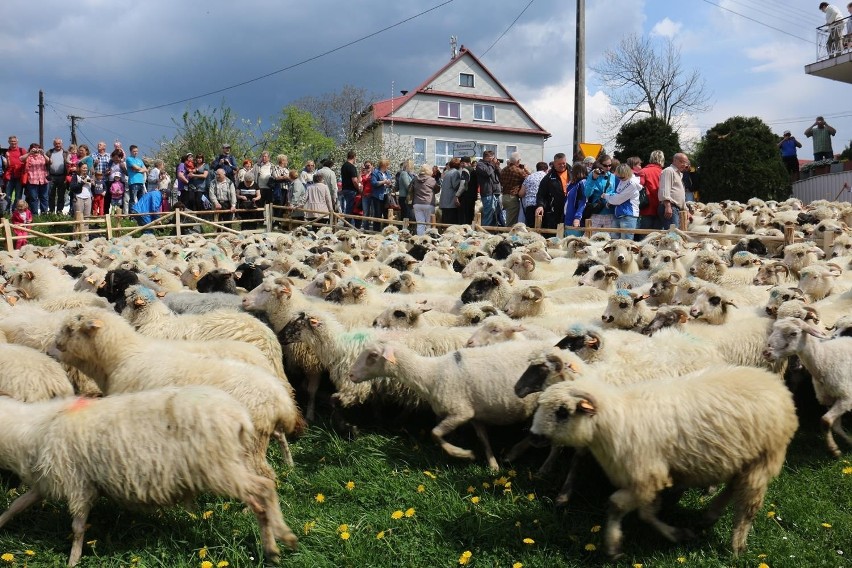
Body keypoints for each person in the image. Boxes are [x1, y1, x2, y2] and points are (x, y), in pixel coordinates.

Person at [604, 163, 642, 240]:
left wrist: (606, 196)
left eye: (622, 177)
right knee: (613, 242)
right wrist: (610, 200)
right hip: (619, 214)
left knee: (626, 244)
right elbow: (618, 194)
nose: (620, 179)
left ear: (628, 174)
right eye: (618, 177)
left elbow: (618, 199)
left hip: (629, 216)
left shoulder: (632, 183)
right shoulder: (623, 180)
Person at [535, 153, 570, 230]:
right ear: (554, 164)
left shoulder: (572, 173)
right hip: (555, 210)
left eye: (563, 163)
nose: (562, 165)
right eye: (559, 164)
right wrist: (540, 205)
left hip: (570, 208)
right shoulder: (548, 177)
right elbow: (541, 194)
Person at [583, 155, 617, 229]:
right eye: (605, 165)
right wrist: (593, 179)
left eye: (610, 165)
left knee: (609, 238)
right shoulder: (593, 175)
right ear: (599, 165)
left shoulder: (613, 177)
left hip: (610, 212)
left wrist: (608, 195)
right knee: (593, 238)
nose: (608, 168)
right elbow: (587, 194)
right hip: (597, 212)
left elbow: (617, 192)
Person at [658, 153, 691, 229]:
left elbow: (681, 196)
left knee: (675, 234)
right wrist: (667, 206)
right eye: (682, 162)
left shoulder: (678, 173)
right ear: (674, 160)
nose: (684, 165)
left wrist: (686, 210)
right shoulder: (669, 171)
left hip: (675, 208)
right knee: (673, 234)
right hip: (671, 208)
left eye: (686, 162)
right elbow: (665, 189)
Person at [637, 150, 665, 235]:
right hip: (661, 206)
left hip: (647, 207)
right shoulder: (664, 172)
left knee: (645, 236)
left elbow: (638, 187)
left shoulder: (643, 171)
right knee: (657, 236)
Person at [499, 152, 530, 226]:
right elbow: (530, 179)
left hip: (504, 196)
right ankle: (508, 236)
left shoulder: (504, 169)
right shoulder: (518, 171)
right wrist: (525, 169)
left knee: (508, 219)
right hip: (512, 197)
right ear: (518, 161)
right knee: (511, 222)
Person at [20, 143, 49, 215]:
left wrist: (43, 154)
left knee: (44, 198)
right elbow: (21, 159)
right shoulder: (29, 157)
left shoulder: (42, 156)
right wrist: (30, 153)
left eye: (37, 148)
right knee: (33, 198)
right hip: (32, 180)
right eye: (34, 148)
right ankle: (34, 214)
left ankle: (44, 213)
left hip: (43, 180)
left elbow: (49, 161)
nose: (36, 150)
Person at [475, 150, 502, 226]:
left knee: (497, 214)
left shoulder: (492, 166)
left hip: (496, 192)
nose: (494, 159)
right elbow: (487, 173)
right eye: (492, 158)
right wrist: (492, 164)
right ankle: (484, 232)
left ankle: (494, 231)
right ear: (487, 157)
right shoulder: (480, 165)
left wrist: (497, 166)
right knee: (488, 214)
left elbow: (501, 175)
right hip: (487, 193)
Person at [411, 164, 438, 236]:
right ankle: (427, 240)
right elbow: (437, 189)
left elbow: (410, 189)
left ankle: (420, 240)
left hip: (417, 203)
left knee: (420, 224)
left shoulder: (415, 179)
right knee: (429, 224)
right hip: (428, 203)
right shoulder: (431, 180)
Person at [563, 163, 588, 237]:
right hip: (568, 219)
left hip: (576, 222)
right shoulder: (572, 184)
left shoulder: (583, 183)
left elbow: (583, 201)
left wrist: (577, 217)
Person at [521, 161, 548, 226]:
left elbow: (521, 193)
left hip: (529, 205)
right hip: (542, 205)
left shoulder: (529, 177)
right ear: (546, 170)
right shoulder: (547, 177)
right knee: (543, 228)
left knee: (531, 227)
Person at [370, 159, 393, 232]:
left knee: (386, 214)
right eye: (387, 165)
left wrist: (389, 183)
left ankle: (385, 231)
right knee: (378, 214)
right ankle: (376, 231)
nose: (388, 167)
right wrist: (383, 182)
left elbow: (390, 182)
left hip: (386, 196)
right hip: (377, 196)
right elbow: (374, 183)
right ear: (383, 165)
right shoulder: (375, 172)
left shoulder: (387, 173)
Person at [46, 138, 69, 215]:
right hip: (51, 176)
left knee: (61, 195)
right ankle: (51, 211)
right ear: (53, 144)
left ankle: (59, 211)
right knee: (51, 194)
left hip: (62, 176)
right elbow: (45, 163)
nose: (57, 145)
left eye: (59, 143)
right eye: (56, 143)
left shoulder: (66, 153)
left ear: (61, 144)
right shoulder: (49, 152)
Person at [3, 136, 28, 204]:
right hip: (9, 176)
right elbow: (6, 166)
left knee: (18, 195)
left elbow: (27, 160)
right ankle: (6, 212)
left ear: (17, 142)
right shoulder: (6, 151)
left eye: (14, 141)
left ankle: (16, 211)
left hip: (19, 176)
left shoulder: (22, 150)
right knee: (7, 195)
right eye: (11, 141)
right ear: (9, 142)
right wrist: (7, 158)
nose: (13, 143)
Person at [438, 157, 463, 225]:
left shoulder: (447, 173)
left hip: (445, 203)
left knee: (446, 224)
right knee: (451, 225)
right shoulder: (455, 173)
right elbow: (456, 186)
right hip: (451, 203)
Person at [125, 144, 148, 213]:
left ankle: (140, 214)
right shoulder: (129, 159)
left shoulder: (139, 160)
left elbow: (145, 169)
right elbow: (136, 167)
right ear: (131, 151)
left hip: (141, 182)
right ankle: (132, 215)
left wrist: (138, 170)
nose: (136, 152)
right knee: (133, 199)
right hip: (133, 181)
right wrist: (139, 169)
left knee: (141, 199)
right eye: (134, 151)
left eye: (137, 151)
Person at [340, 150, 360, 222]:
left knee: (347, 207)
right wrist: (359, 189)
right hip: (351, 190)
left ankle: (347, 224)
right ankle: (348, 226)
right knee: (350, 209)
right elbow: (354, 180)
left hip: (345, 189)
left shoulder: (344, 166)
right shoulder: (351, 167)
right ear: (354, 157)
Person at [360, 161, 374, 231]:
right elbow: (359, 181)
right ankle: (366, 229)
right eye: (366, 165)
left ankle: (374, 229)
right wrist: (361, 170)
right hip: (365, 195)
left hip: (373, 195)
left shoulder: (374, 174)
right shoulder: (363, 175)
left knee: (373, 212)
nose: (367, 167)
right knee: (366, 212)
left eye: (369, 165)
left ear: (372, 166)